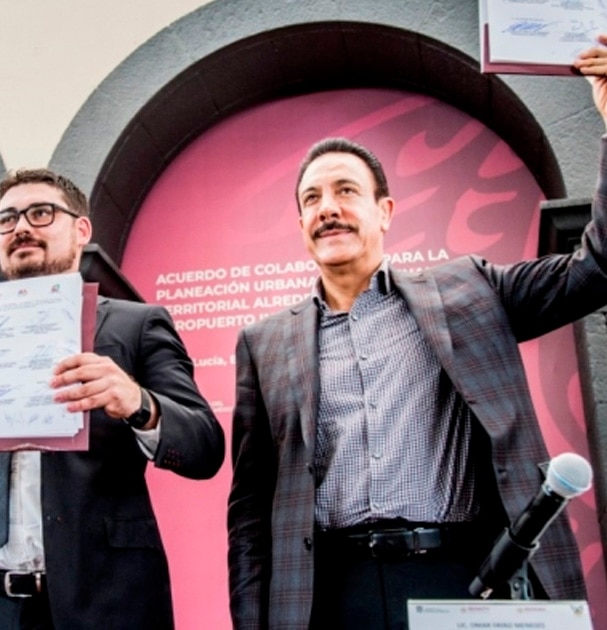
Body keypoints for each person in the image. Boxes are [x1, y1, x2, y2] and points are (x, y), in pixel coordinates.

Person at [227, 38, 607, 630]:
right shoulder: (263, 344)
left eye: (346, 191)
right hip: (329, 593)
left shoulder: (470, 291)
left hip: (460, 577)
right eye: (312, 199)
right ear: (300, 224)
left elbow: (595, 270)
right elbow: (250, 508)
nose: (328, 207)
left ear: (385, 211)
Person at [0, 168, 225, 629]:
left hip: (100, 603)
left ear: (81, 230)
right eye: (7, 219)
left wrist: (138, 402)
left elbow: (204, 448)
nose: (22, 228)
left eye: (41, 213)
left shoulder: (137, 326)